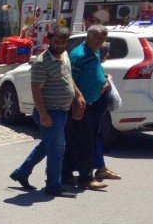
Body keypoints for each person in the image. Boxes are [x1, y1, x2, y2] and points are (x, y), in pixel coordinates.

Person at [9, 27, 86, 196]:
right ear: (50, 41)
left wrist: (78, 96)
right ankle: (53, 185)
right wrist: (43, 114)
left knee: (48, 145)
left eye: (63, 42)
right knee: (58, 148)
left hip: (62, 110)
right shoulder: (41, 62)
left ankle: (22, 172)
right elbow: (36, 90)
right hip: (50, 111)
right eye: (56, 42)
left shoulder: (65, 56)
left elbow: (68, 78)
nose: (59, 45)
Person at [69, 24, 121, 185]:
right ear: (89, 36)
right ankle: (84, 177)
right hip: (81, 104)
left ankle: (77, 173)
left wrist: (104, 79)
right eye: (99, 38)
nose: (101, 42)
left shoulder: (95, 51)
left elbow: (94, 71)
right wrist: (77, 101)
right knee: (83, 140)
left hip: (92, 102)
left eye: (104, 39)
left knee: (87, 138)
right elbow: (71, 80)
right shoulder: (79, 55)